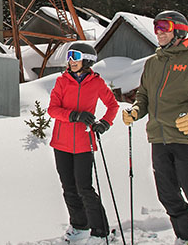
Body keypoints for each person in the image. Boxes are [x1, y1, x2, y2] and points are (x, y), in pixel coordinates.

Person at [122, 11, 188, 245]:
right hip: (159, 138)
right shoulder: (152, 63)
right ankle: (185, 238)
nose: (158, 31)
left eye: (164, 26)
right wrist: (136, 111)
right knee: (168, 195)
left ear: (179, 30)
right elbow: (143, 95)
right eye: (156, 26)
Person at [48, 42, 120, 244]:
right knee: (69, 188)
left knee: (84, 188)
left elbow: (112, 105)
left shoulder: (96, 83)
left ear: (87, 60)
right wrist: (74, 115)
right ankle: (79, 226)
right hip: (61, 143)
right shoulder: (62, 82)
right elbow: (52, 109)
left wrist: (105, 123)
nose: (71, 61)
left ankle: (101, 231)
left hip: (83, 143)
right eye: (70, 56)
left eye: (76, 57)